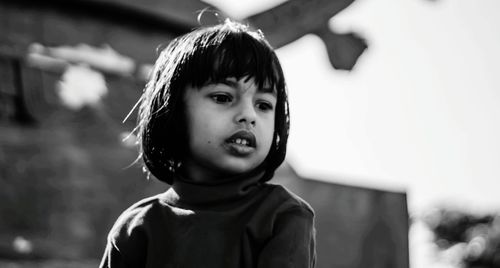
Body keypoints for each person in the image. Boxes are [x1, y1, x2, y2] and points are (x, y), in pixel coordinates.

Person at [99, 19, 316, 268]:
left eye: (264, 105)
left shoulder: (283, 216)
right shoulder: (135, 227)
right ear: (173, 111)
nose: (249, 115)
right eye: (223, 97)